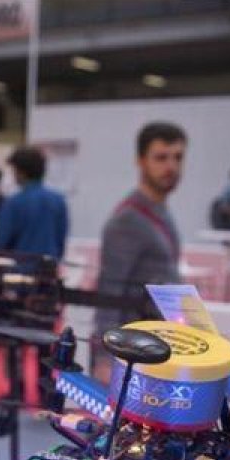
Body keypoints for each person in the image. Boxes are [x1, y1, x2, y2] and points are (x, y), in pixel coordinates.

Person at [92, 122, 187, 380]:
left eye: (177, 157)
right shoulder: (128, 221)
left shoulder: (161, 213)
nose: (171, 167)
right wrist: (104, 359)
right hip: (131, 355)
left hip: (153, 350)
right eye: (161, 158)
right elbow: (109, 295)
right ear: (141, 161)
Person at [0, 147, 69, 261]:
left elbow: (3, 241)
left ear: (21, 172)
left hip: (19, 268)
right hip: (48, 268)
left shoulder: (13, 203)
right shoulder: (58, 200)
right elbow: (60, 239)